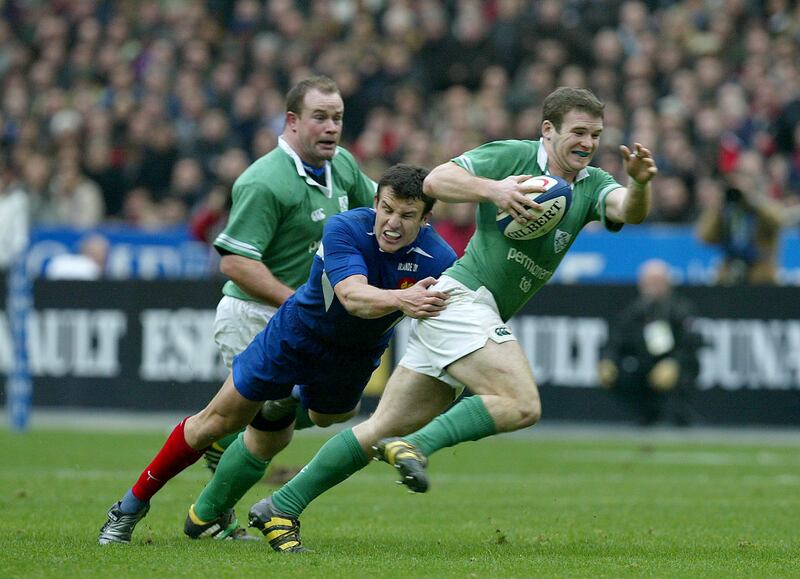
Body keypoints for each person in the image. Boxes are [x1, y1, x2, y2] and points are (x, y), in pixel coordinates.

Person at [244, 86, 658, 553]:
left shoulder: (592, 183)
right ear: (548, 131)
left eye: (595, 134)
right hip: (463, 299)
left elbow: (627, 210)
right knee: (521, 404)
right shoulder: (512, 157)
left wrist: (640, 183)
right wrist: (494, 190)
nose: (587, 142)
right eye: (578, 132)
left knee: (380, 430)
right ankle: (418, 447)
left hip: (454, 308)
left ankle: (280, 506)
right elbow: (436, 181)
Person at [97, 164, 456, 545]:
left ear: (426, 218)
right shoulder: (345, 228)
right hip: (295, 336)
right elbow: (353, 297)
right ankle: (128, 507)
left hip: (356, 354)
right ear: (375, 203)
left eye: (406, 215)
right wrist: (406, 298)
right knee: (215, 422)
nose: (392, 223)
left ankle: (281, 405)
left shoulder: (440, 258)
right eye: (386, 209)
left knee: (332, 415)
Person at [203, 75, 376, 473]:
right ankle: (214, 513)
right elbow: (233, 261)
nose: (331, 127)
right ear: (293, 120)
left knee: (333, 409)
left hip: (305, 316)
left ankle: (225, 438)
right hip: (254, 315)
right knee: (270, 422)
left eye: (338, 117)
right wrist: (296, 301)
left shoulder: (344, 165)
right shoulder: (263, 181)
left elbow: (379, 212)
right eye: (320, 117)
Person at [597, 259, 700, 426]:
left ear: (668, 283)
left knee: (675, 375)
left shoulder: (681, 309)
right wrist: (607, 360)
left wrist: (674, 363)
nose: (653, 286)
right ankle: (643, 415)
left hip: (676, 366)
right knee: (618, 373)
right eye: (649, 281)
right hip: (643, 367)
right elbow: (616, 341)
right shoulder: (634, 311)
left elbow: (692, 343)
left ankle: (679, 419)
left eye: (657, 281)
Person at [696, 151, 800, 285]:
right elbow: (705, 237)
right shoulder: (725, 209)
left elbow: (779, 221)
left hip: (761, 272)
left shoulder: (763, 205)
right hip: (730, 269)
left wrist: (753, 201)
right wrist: (718, 207)